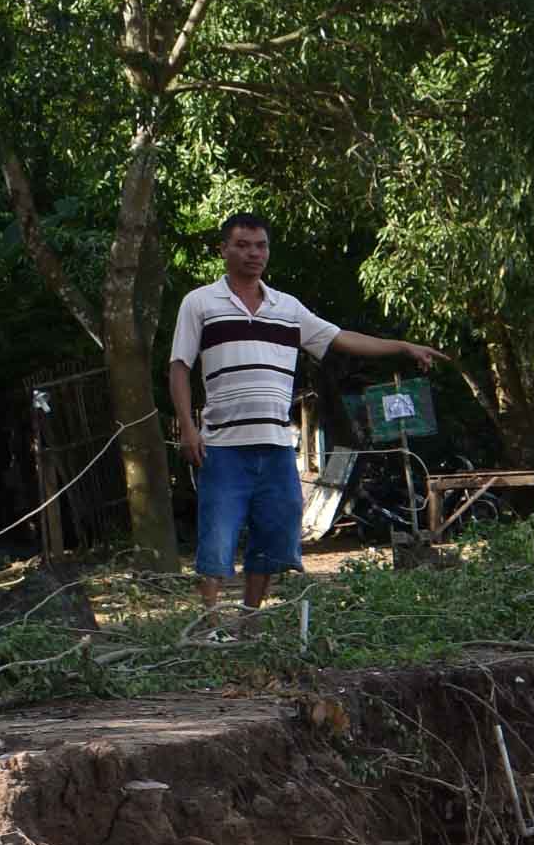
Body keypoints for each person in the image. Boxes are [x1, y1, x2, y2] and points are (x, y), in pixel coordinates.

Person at [165, 213, 445, 608]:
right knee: (217, 537)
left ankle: (249, 621)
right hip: (222, 445)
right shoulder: (200, 303)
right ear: (224, 249)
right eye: (243, 245)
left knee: (273, 536)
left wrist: (402, 346)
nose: (253, 253)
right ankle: (208, 626)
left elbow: (341, 338)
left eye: (260, 245)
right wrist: (188, 431)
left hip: (278, 446)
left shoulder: (288, 308)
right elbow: (179, 367)